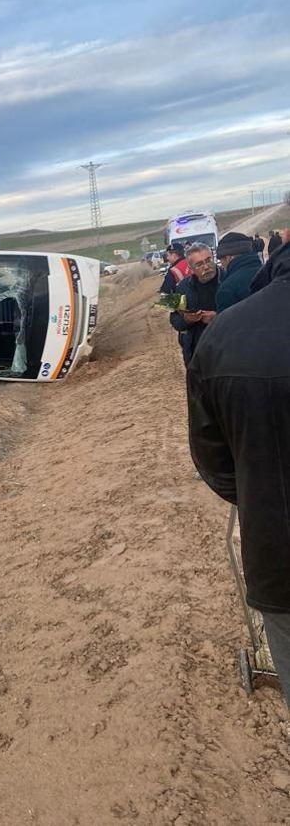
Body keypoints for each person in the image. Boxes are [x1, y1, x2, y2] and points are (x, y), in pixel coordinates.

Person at [187, 239, 290, 707]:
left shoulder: (227, 333)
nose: (205, 266)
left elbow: (213, 460)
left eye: (209, 260)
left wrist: (260, 493)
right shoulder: (190, 290)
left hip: (279, 556)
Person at [169, 243, 219, 366]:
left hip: (224, 349)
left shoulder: (227, 280)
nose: (206, 267)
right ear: (191, 268)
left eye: (208, 260)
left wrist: (217, 317)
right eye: (199, 264)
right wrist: (186, 319)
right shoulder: (182, 287)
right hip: (196, 354)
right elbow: (174, 319)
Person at [214, 232, 262, 312]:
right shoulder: (271, 272)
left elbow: (227, 323)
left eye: (221, 260)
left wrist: (217, 319)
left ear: (228, 258)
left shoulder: (227, 289)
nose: (222, 265)